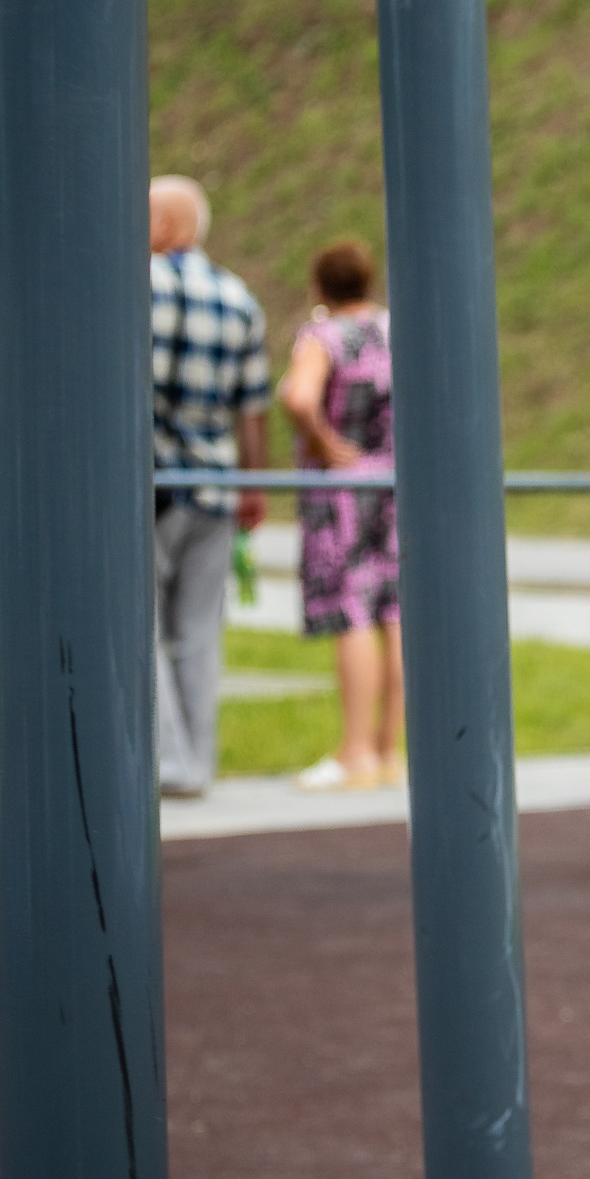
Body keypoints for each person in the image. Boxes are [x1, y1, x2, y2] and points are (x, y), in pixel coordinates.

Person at [149, 176, 271, 798]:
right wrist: (253, 483)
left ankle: (168, 761)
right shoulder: (237, 296)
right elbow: (253, 405)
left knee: (141, 627)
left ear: (168, 225)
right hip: (218, 483)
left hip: (151, 483)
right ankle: (199, 761)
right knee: (199, 630)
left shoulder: (136, 286)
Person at [279, 240, 402, 792]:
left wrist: (327, 445)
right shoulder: (395, 329)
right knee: (394, 610)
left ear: (320, 285)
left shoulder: (323, 335)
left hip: (342, 492)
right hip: (393, 483)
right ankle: (388, 749)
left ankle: (355, 753)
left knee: (352, 611)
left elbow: (299, 398)